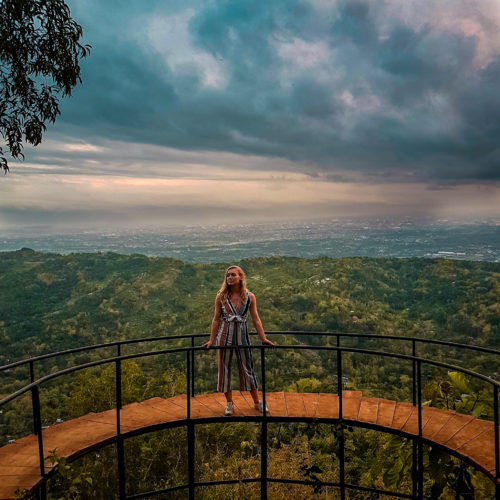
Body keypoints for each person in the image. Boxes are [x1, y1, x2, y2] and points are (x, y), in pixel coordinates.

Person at [202, 265, 274, 416]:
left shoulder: (249, 297)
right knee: (224, 369)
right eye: (228, 275)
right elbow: (216, 320)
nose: (229, 277)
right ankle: (229, 404)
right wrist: (211, 340)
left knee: (247, 367)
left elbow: (256, 319)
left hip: (242, 336)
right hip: (224, 336)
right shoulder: (221, 296)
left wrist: (263, 338)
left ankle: (257, 402)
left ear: (240, 277)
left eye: (233, 275)